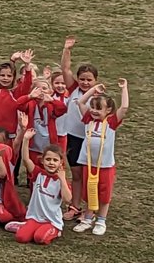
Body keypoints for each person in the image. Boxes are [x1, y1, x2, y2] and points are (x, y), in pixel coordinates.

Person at [72, 81, 129, 237]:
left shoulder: (111, 122)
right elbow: (81, 101)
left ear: (108, 110)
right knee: (89, 191)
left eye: (99, 108)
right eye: (93, 107)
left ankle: (101, 220)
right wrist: (93, 90)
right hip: (88, 164)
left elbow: (124, 108)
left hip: (104, 165)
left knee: (104, 194)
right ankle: (88, 218)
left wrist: (124, 89)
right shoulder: (87, 119)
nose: (94, 111)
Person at [14, 132, 71, 245]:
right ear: (42, 161)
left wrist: (63, 180)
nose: (51, 163)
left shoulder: (61, 180)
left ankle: (56, 230)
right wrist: (25, 139)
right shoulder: (38, 174)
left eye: (55, 160)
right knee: (21, 238)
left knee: (39, 238)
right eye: (48, 159)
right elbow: (26, 160)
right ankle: (27, 226)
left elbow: (67, 199)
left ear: (61, 163)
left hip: (51, 221)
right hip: (34, 218)